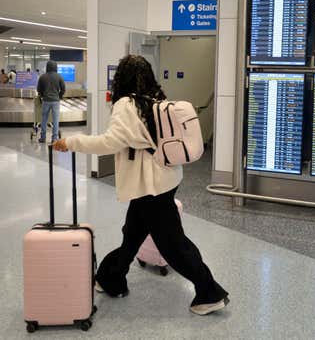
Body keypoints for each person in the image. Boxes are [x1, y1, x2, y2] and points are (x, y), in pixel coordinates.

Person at [53, 55, 229, 316]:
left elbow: (111, 142)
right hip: (163, 179)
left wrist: (73, 142)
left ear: (121, 77)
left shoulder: (126, 103)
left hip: (150, 186)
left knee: (173, 245)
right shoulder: (154, 99)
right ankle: (110, 278)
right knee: (132, 233)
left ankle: (210, 292)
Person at [36, 60, 65, 143]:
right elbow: (63, 89)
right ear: (55, 67)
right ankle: (54, 138)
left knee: (44, 119)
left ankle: (43, 137)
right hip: (55, 101)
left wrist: (42, 96)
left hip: (45, 101)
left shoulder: (42, 77)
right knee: (55, 119)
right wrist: (59, 96)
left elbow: (38, 89)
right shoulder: (59, 77)